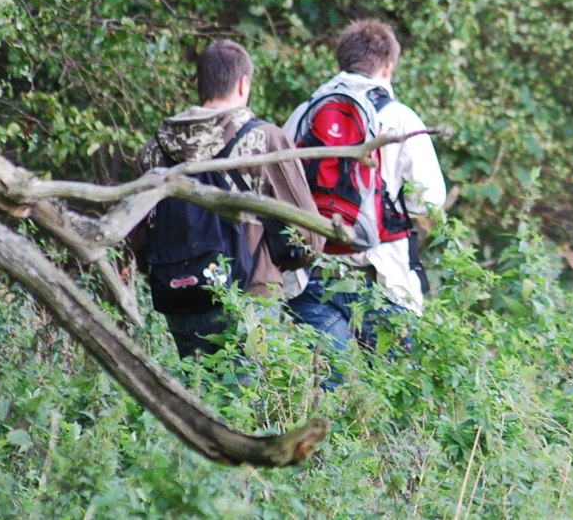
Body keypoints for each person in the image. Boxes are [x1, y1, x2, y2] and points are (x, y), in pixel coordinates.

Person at [133, 40, 324, 359]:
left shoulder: (153, 151)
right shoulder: (264, 141)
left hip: (180, 299)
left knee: (196, 401)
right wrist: (277, 266)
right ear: (243, 83)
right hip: (250, 296)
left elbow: (138, 239)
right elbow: (309, 237)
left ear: (198, 84)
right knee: (250, 404)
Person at [284, 20, 447, 353]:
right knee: (398, 389)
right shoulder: (400, 119)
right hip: (384, 276)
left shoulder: (304, 113)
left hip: (311, 273)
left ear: (342, 62)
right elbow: (428, 201)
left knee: (323, 385)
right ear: (389, 67)